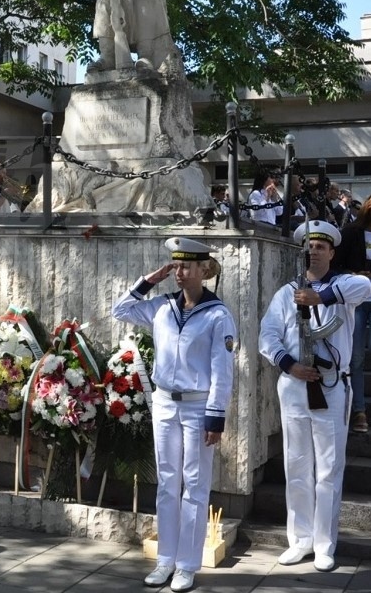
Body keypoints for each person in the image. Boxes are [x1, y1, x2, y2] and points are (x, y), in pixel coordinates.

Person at [112, 237, 236, 591]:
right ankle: (165, 558)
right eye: (176, 266)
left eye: (186, 267)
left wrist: (216, 417)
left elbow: (222, 370)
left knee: (194, 486)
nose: (179, 273)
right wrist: (148, 281)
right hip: (165, 402)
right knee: (167, 483)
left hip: (198, 406)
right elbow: (119, 310)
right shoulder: (162, 307)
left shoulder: (217, 315)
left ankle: (186, 564)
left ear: (204, 270)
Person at [259, 220, 371, 571]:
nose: (314, 250)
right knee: (296, 465)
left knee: (328, 469)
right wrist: (290, 365)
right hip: (294, 386)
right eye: (309, 245)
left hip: (331, 386)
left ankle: (324, 544)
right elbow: (267, 336)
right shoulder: (285, 293)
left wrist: (318, 296)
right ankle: (300, 539)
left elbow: (367, 284)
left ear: (332, 251)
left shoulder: (343, 287)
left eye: (321, 246)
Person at [332, 197, 371, 434]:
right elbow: (335, 267)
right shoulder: (351, 233)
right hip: (357, 302)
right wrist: (355, 274)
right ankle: (359, 412)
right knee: (355, 358)